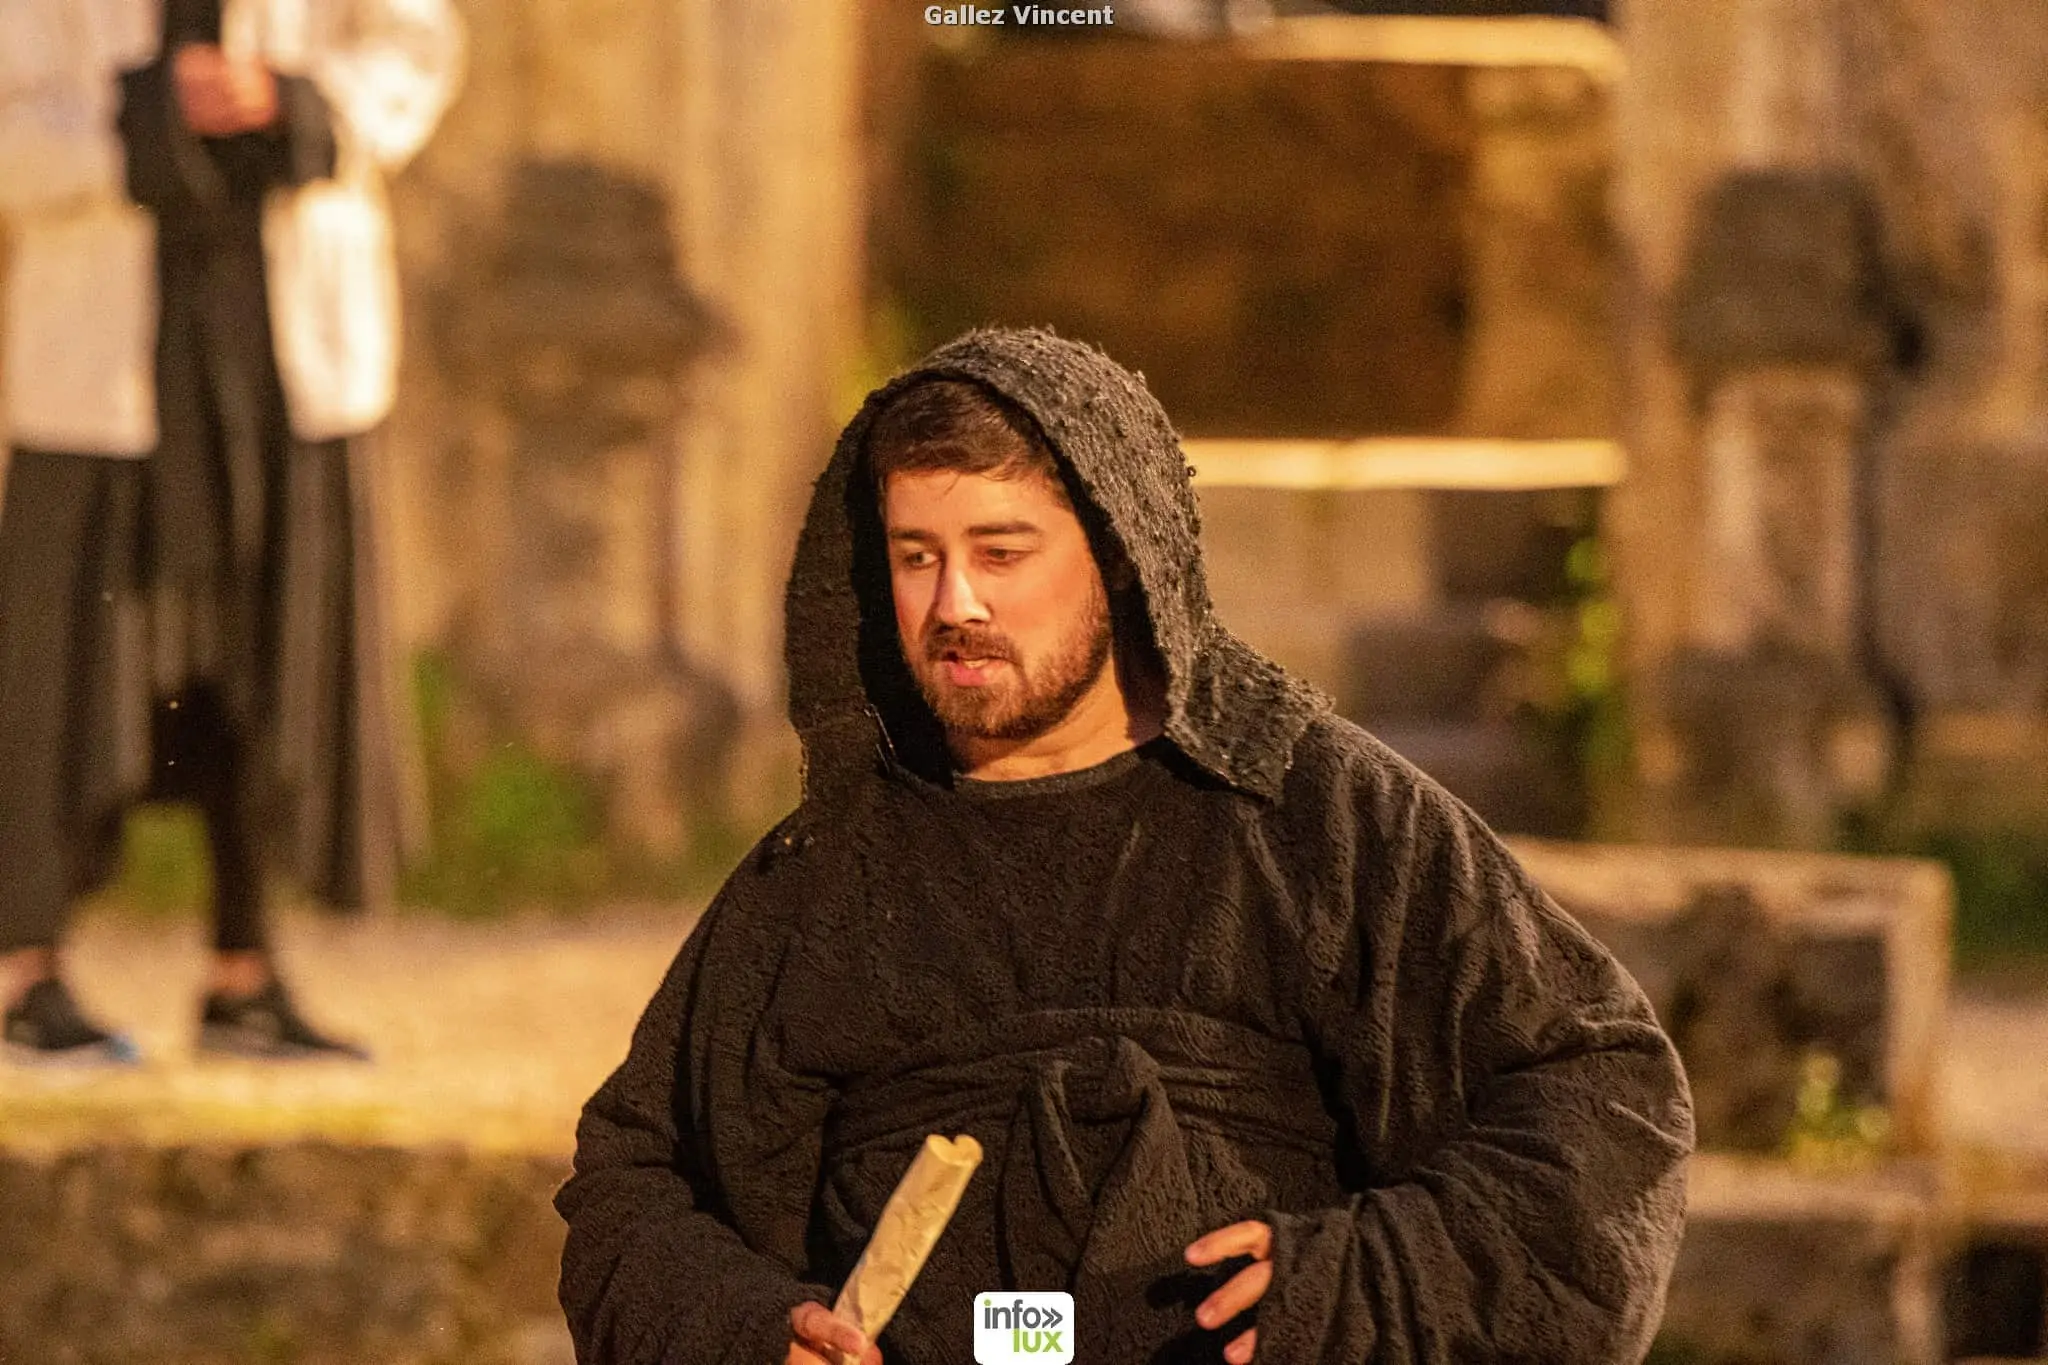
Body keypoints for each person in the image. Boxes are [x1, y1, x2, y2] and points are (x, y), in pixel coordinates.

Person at [555, 328, 1694, 1364]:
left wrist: (1358, 1285)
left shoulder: (1318, 820)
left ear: (1118, 551)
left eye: (1001, 553)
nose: (954, 604)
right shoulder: (821, 877)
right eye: (916, 556)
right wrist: (752, 1336)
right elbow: (631, 1187)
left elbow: (1606, 1094)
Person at [0, 0, 463, 1061]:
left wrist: (291, 102)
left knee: (267, 656)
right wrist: (147, 116)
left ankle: (243, 976)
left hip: (291, 350)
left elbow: (417, 49)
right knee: (65, 671)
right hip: (97, 353)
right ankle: (26, 976)